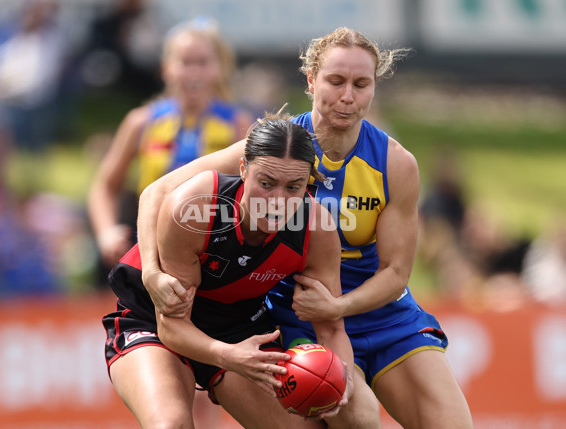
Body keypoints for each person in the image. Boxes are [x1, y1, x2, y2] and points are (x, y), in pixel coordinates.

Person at [136, 27, 474, 428]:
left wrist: (339, 306)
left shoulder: (395, 163)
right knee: (355, 415)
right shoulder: (276, 149)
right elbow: (157, 192)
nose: (347, 96)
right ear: (311, 79)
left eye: (361, 84)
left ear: (373, 88)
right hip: (299, 315)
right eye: (335, 81)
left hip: (382, 315)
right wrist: (152, 272)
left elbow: (397, 272)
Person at [102, 115, 381, 429]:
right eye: (266, 183)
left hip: (239, 328)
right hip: (153, 321)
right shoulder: (195, 206)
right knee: (171, 425)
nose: (277, 201)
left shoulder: (317, 229)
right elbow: (172, 328)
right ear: (243, 169)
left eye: (294, 187)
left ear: (308, 184)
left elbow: (330, 330)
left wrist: (339, 377)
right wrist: (226, 356)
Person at [88, 17, 252, 269]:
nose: (194, 72)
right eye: (185, 62)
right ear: (166, 68)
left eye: (203, 62)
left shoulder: (238, 124)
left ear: (219, 68)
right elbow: (105, 185)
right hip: (151, 251)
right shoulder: (141, 122)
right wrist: (106, 232)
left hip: (215, 254)